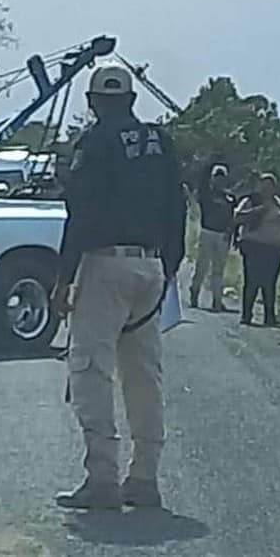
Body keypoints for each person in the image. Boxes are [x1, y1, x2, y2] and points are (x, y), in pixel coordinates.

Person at [51, 64, 187, 510]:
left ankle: (102, 477)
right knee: (144, 375)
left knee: (92, 370)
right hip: (150, 267)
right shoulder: (160, 143)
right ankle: (145, 476)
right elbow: (177, 205)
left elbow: (81, 213)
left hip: (103, 264)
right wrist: (169, 266)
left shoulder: (94, 144)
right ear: (131, 100)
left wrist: (63, 279)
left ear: (92, 103)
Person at [235, 173, 280, 326]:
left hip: (275, 248)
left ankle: (270, 317)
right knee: (252, 281)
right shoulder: (251, 200)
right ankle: (246, 315)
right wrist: (259, 210)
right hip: (254, 245)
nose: (266, 188)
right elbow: (237, 217)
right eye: (264, 184)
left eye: (270, 185)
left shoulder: (279, 203)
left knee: (270, 283)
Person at [189, 163, 236, 311]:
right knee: (202, 266)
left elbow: (233, 218)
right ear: (212, 178)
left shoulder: (230, 197)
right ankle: (195, 291)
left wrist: (231, 234)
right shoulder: (205, 193)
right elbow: (197, 193)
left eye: (222, 177)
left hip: (223, 235)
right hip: (207, 232)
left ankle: (217, 300)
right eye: (217, 177)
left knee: (218, 270)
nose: (219, 180)